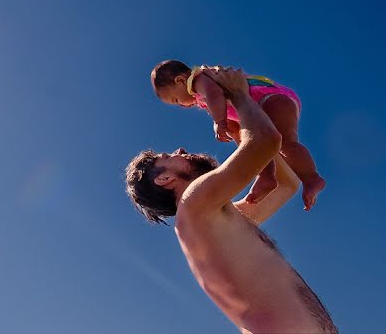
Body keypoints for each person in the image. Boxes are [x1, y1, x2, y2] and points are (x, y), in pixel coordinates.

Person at [127, 66, 337, 334]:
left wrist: (243, 136)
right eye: (167, 157)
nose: (179, 150)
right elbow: (266, 140)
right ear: (163, 180)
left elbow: (286, 185)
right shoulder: (193, 203)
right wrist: (239, 96)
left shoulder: (218, 220)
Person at [151, 59, 326, 210]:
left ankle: (311, 178)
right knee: (246, 139)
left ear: (181, 80)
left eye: (176, 100)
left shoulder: (198, 79)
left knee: (286, 142)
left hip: (271, 97)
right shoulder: (198, 92)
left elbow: (214, 94)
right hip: (254, 106)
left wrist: (220, 121)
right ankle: (266, 176)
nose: (181, 105)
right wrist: (220, 122)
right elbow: (219, 102)